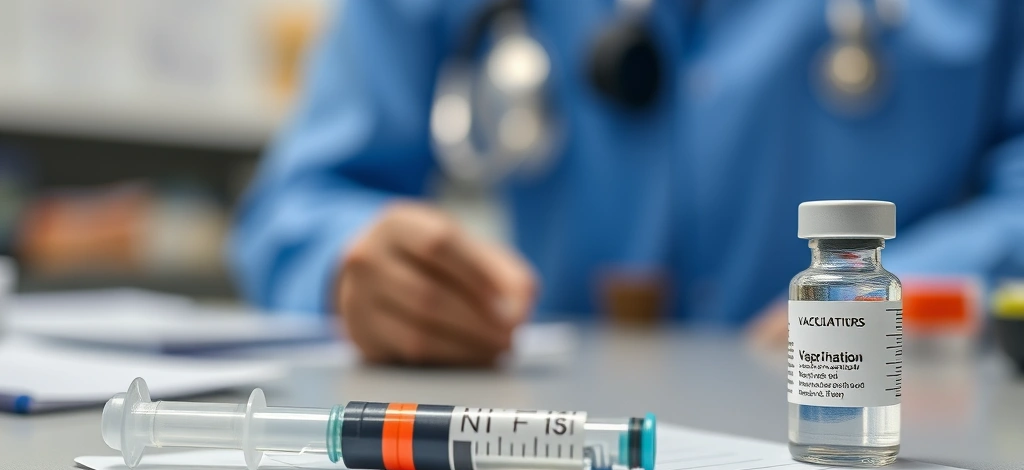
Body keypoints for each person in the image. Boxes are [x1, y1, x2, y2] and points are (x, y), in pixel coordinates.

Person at [230, 0, 1024, 365]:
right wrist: (357, 268)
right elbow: (296, 203)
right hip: (557, 460)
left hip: (893, 439)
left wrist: (899, 295)